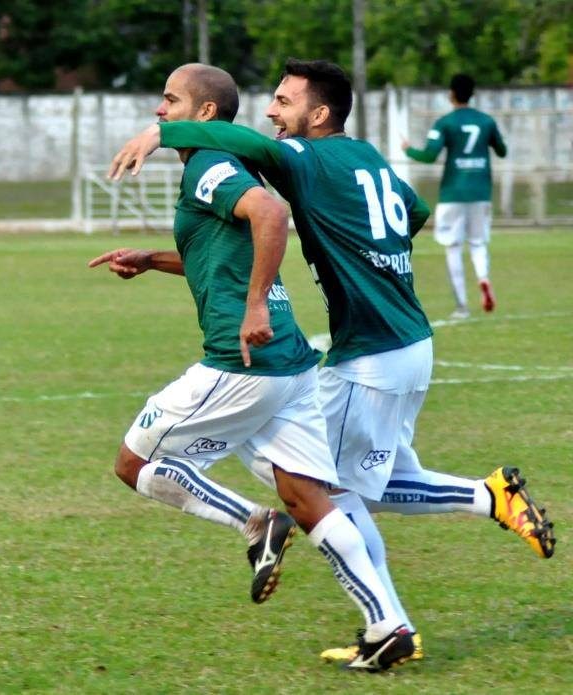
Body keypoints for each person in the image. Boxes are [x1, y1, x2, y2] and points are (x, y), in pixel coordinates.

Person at [108, 58, 555, 663]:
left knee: (325, 494)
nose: (273, 112)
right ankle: (397, 612)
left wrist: (165, 133)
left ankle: (412, 596)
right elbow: (415, 214)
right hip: (408, 341)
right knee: (349, 486)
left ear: (318, 115)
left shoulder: (310, 159)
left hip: (370, 353)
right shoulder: (364, 155)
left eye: (285, 103)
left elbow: (243, 149)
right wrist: (364, 246)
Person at [90, 62, 417, 672]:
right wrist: (153, 259)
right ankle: (388, 625)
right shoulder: (214, 169)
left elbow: (270, 214)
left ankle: (251, 520)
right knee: (310, 497)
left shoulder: (211, 166)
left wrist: (255, 304)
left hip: (243, 363)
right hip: (289, 363)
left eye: (170, 100)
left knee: (133, 463)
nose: (160, 111)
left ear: (204, 114)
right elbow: (221, 256)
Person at [403, 74, 507, 320]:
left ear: (451, 94)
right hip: (481, 193)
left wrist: (408, 149)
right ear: (472, 94)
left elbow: (429, 155)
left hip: (453, 194)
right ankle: (483, 278)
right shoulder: (486, 122)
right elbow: (502, 151)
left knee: (453, 247)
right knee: (479, 243)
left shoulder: (445, 123)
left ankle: (462, 306)